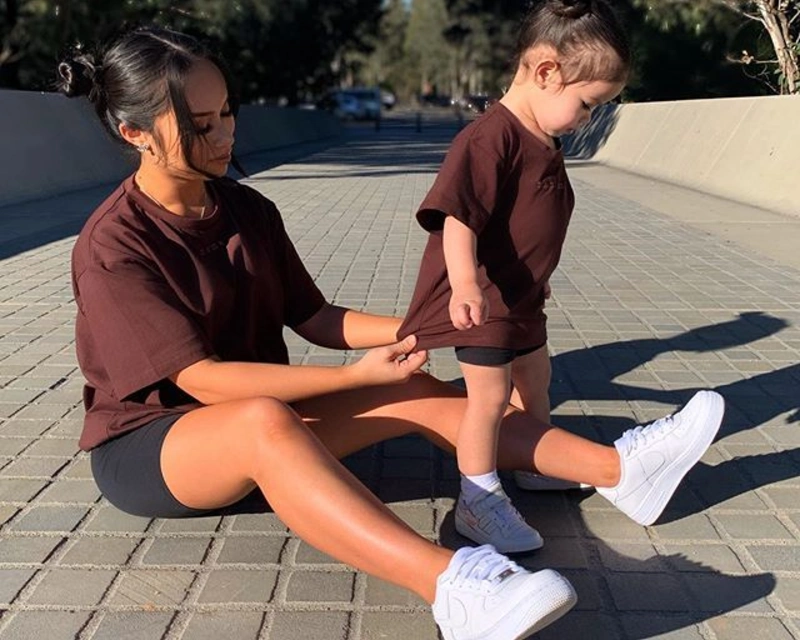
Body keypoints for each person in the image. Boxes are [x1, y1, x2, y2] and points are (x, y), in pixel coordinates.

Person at [59, 22, 721, 640]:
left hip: (266, 418)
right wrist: (345, 380)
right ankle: (455, 590)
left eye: (228, 111)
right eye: (201, 124)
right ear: (133, 133)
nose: (225, 133)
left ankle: (622, 470)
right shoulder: (114, 243)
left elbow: (315, 317)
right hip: (154, 449)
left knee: (417, 387)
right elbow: (201, 379)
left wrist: (433, 328)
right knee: (262, 420)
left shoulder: (246, 208)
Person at [396, 0, 723, 554]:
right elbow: (458, 218)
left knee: (536, 379)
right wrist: (466, 284)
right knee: (489, 399)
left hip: (522, 298)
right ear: (546, 72)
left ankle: (534, 465)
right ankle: (478, 498)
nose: (589, 118)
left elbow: (529, 224)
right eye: (588, 104)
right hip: (484, 302)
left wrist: (538, 276)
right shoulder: (489, 137)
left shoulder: (541, 138)